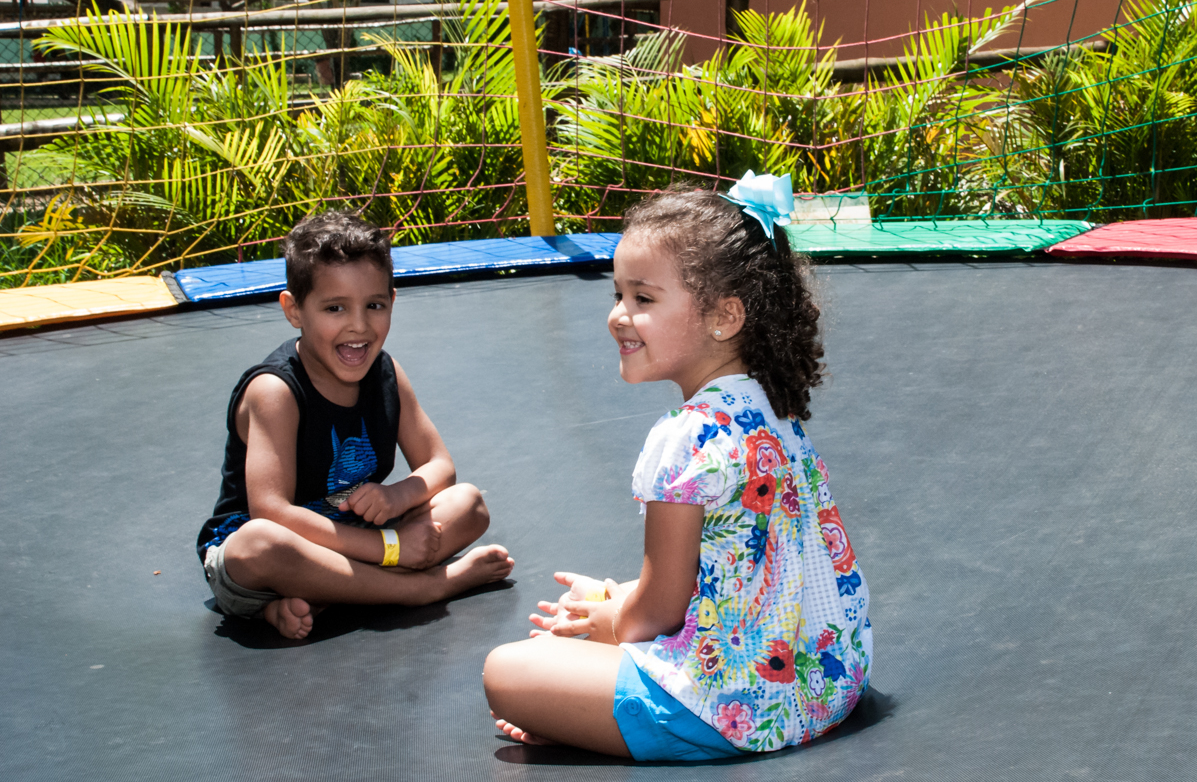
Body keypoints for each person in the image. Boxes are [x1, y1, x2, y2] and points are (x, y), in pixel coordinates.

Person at [482, 178, 871, 760]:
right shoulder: (775, 410)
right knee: (598, 625)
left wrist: (611, 619)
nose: (618, 316)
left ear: (725, 316)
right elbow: (738, 567)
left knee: (508, 672)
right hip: (827, 682)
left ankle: (588, 715)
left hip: (735, 708)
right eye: (618, 295)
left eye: (643, 299)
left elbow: (660, 611)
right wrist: (618, 595)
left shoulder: (684, 437)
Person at [196, 212, 514, 640]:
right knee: (260, 544)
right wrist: (392, 549)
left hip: (350, 539)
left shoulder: (387, 374)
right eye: (334, 308)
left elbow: (440, 465)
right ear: (294, 310)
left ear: (392, 302)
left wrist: (398, 495)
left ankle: (321, 597)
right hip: (275, 551)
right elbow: (271, 512)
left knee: (468, 504)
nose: (359, 326)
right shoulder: (274, 391)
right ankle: (420, 589)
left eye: (374, 305)